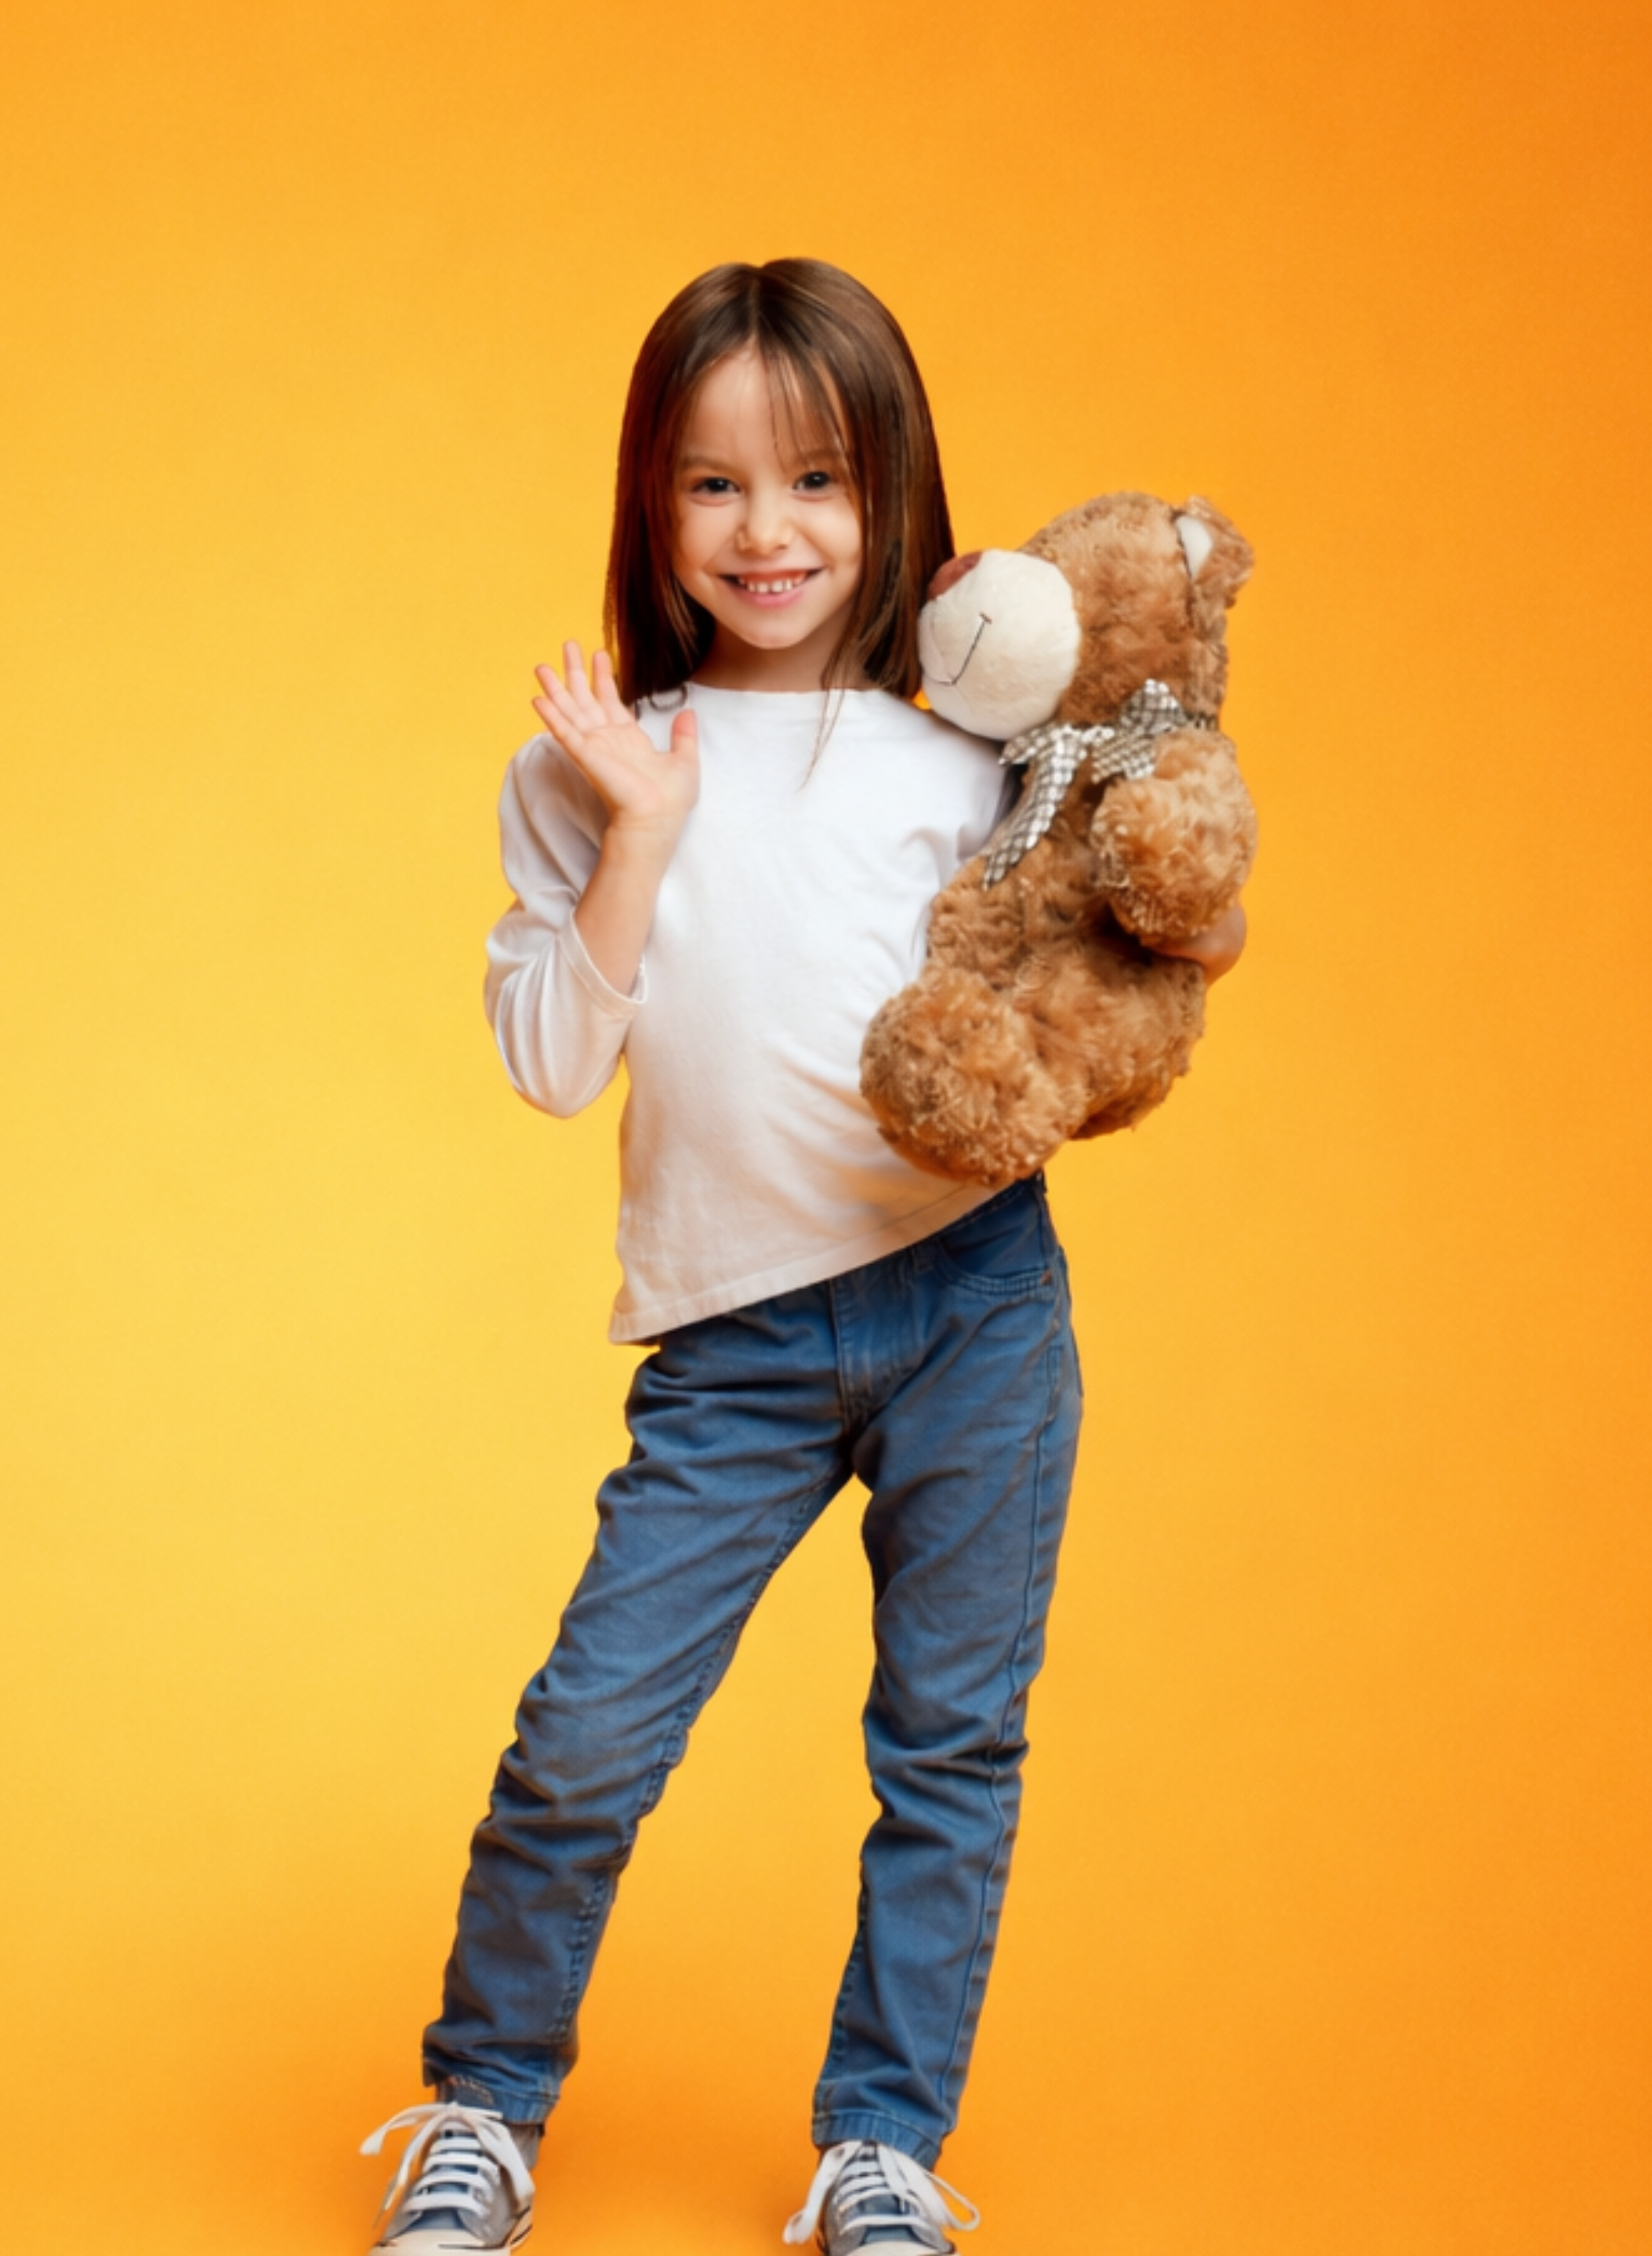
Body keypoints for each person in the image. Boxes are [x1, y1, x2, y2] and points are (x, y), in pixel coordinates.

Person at [354, 260, 1244, 2255]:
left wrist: (1166, 919)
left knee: (949, 1739)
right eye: (716, 488)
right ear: (651, 509)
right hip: (731, 1349)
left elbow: (1067, 1001)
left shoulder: (962, 773)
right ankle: (480, 2100)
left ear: (896, 495)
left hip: (978, 1311)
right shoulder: (590, 761)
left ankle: (883, 2145)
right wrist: (642, 833)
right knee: (585, 1737)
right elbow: (546, 1061)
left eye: (820, 481)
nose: (771, 534)